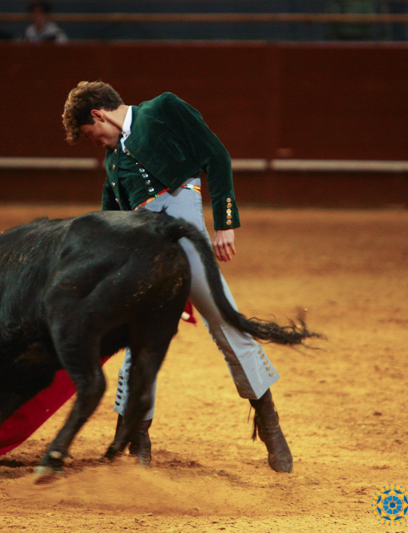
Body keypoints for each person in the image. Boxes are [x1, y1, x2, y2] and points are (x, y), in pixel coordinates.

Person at [62, 81, 293, 473]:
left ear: (99, 115)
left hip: (185, 231)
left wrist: (225, 223)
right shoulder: (113, 162)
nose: (96, 142)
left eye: (90, 134)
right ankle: (137, 440)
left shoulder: (163, 110)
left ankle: (268, 422)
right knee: (139, 338)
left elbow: (216, 156)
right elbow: (109, 220)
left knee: (226, 322)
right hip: (143, 248)